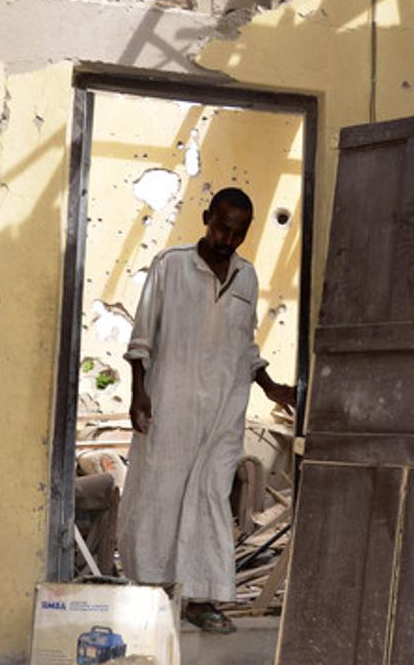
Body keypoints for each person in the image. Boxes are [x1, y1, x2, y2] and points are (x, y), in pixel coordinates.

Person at [118, 187, 296, 634]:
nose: (227, 239)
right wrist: (139, 392)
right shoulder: (171, 265)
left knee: (211, 499)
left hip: (223, 411)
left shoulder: (248, 277)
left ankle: (200, 598)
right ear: (206, 218)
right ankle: (154, 594)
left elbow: (245, 346)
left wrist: (271, 386)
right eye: (221, 227)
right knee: (159, 496)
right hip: (169, 405)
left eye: (237, 232)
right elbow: (142, 336)